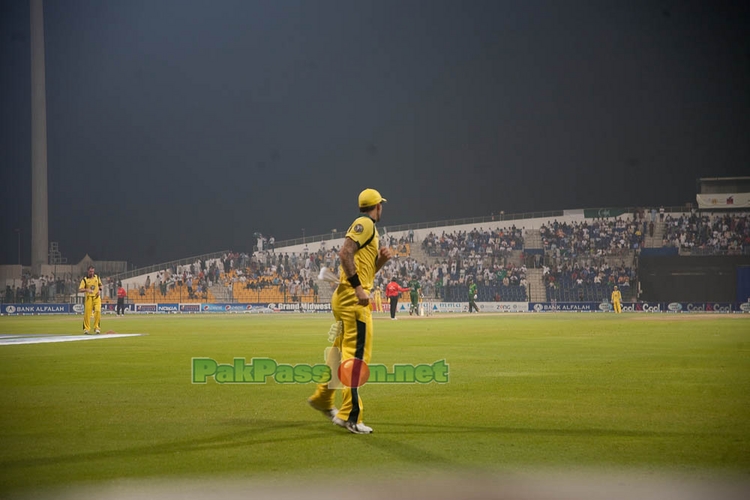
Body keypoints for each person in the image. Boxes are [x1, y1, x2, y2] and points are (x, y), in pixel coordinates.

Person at [308, 188, 393, 434]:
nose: (382, 208)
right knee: (355, 359)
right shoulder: (365, 224)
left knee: (338, 353)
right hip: (352, 302)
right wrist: (358, 290)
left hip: (345, 298)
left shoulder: (366, 226)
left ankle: (323, 398)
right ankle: (350, 416)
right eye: (381, 205)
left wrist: (380, 262)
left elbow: (363, 271)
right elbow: (345, 253)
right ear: (377, 206)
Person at [78, 265, 102, 334]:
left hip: (96, 297)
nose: (92, 273)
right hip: (89, 298)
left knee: (97, 311)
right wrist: (87, 290)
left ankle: (97, 328)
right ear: (88, 271)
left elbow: (100, 285)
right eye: (90, 271)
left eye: (93, 271)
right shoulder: (85, 280)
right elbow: (80, 289)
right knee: (87, 314)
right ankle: (86, 329)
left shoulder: (97, 277)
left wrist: (99, 291)